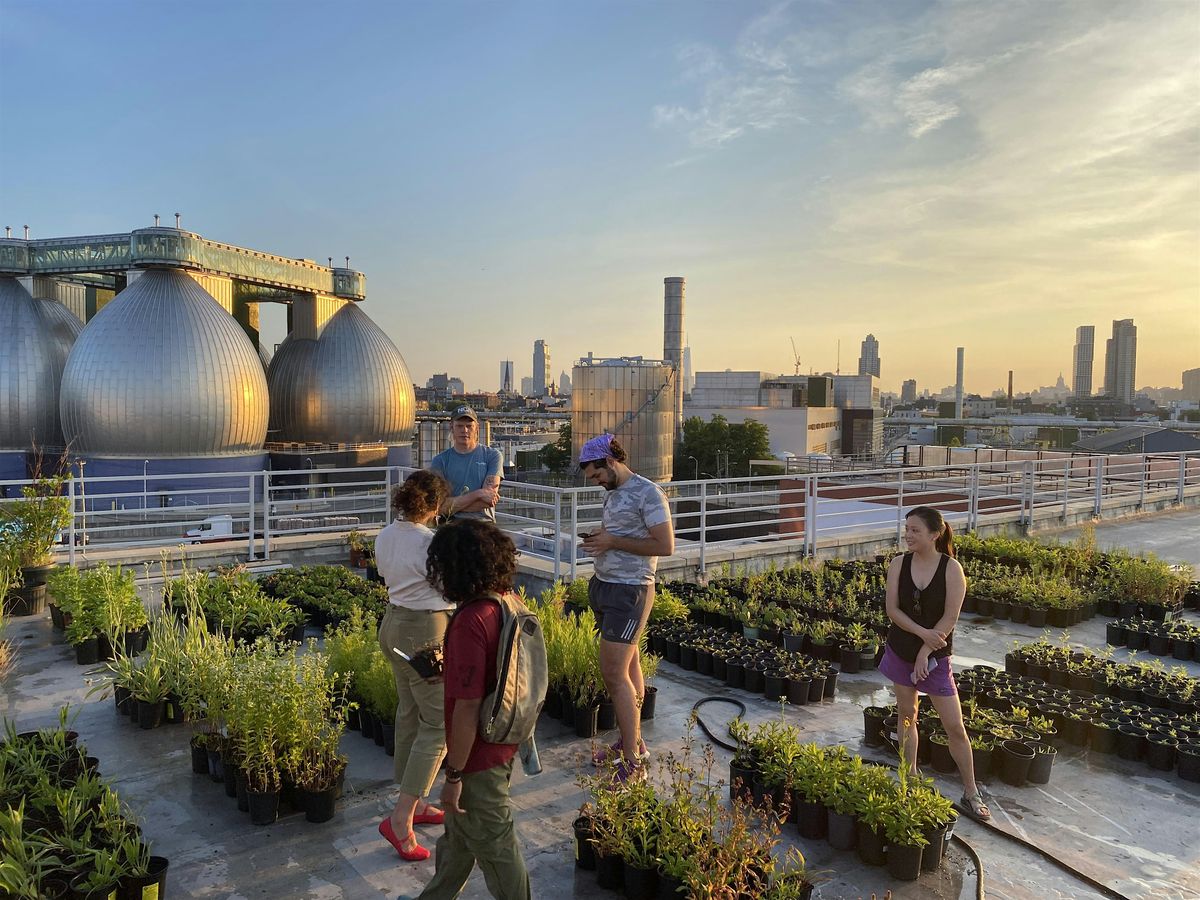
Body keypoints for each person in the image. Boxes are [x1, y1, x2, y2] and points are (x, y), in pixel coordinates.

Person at [406, 519, 531, 900]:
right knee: (459, 836)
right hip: (505, 735)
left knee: (496, 844)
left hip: (477, 755)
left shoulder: (469, 620)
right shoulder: (507, 602)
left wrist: (454, 774)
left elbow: (467, 708)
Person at [879, 505, 991, 822]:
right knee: (906, 715)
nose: (908, 535)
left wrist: (925, 652)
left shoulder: (951, 569)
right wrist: (919, 638)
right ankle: (909, 777)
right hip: (901, 649)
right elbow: (893, 611)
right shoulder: (899, 564)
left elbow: (950, 618)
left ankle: (971, 791)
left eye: (915, 530)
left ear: (934, 534)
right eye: (907, 529)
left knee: (954, 726)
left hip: (936, 656)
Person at [578, 434, 674, 783]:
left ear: (610, 461)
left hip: (630, 592)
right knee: (630, 672)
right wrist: (600, 539)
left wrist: (613, 541)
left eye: (597, 474)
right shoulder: (614, 494)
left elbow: (665, 545)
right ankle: (634, 742)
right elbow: (617, 533)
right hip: (606, 586)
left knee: (614, 675)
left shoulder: (649, 493)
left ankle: (633, 764)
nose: (596, 482)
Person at [376, 470, 454, 862]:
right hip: (425, 633)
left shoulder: (385, 535)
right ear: (436, 506)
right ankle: (401, 818)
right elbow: (448, 588)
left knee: (409, 712)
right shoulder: (432, 543)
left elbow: (388, 576)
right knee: (439, 724)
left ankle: (415, 799)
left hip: (393, 624)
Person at [430, 406, 503, 522]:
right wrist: (478, 494)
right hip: (450, 524)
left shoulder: (493, 456)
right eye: (459, 426)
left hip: (482, 524)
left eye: (469, 426)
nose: (464, 430)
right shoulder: (439, 461)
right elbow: (439, 507)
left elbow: (488, 501)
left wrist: (452, 505)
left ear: (477, 428)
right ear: (451, 427)